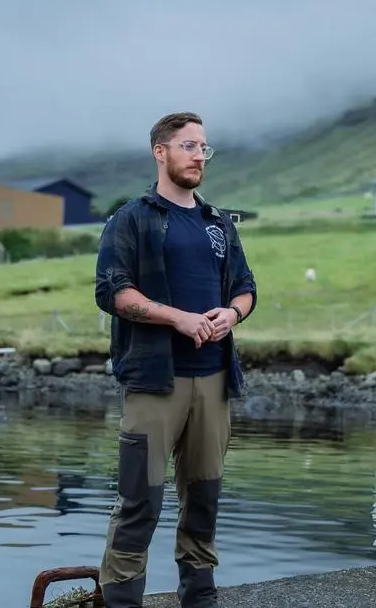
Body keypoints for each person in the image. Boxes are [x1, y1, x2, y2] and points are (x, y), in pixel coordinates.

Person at [93, 111, 257, 608]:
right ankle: (122, 602)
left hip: (213, 382)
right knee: (140, 500)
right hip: (153, 383)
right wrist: (177, 319)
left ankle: (199, 597)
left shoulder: (218, 223)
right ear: (160, 151)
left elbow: (247, 289)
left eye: (204, 147)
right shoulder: (132, 219)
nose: (198, 156)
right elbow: (113, 292)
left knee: (204, 499)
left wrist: (231, 314)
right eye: (188, 146)